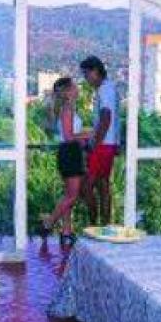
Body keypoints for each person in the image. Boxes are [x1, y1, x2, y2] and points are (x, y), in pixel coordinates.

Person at [40, 77, 90, 247]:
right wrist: (90, 134)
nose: (78, 88)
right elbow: (69, 136)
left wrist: (82, 137)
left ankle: (66, 232)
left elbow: (69, 134)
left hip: (69, 152)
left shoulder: (68, 108)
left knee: (68, 195)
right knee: (72, 196)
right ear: (68, 91)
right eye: (75, 86)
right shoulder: (67, 109)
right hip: (69, 153)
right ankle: (49, 222)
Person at [80, 56, 119, 226]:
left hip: (102, 145)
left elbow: (106, 118)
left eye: (86, 74)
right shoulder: (109, 88)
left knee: (86, 186)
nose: (86, 79)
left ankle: (94, 224)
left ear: (95, 71)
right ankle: (105, 225)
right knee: (103, 186)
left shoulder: (105, 90)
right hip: (108, 144)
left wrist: (93, 144)